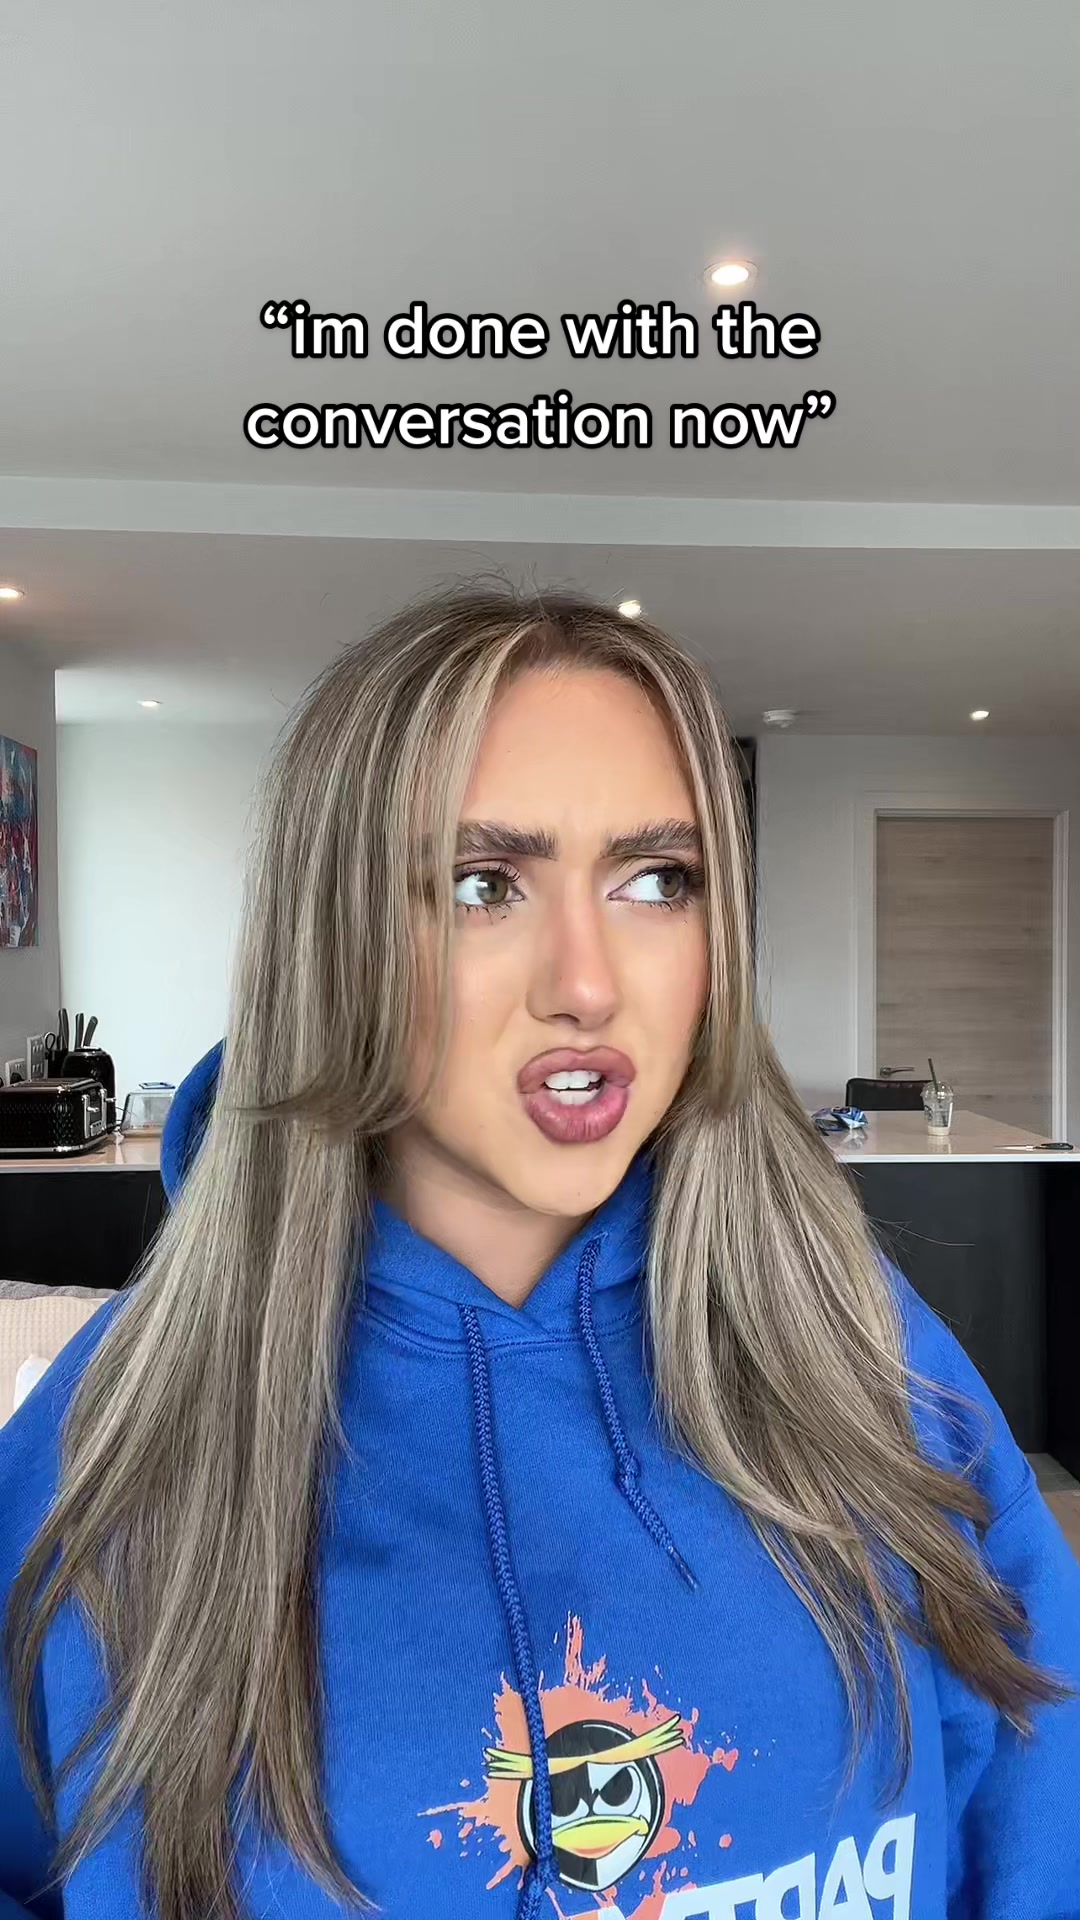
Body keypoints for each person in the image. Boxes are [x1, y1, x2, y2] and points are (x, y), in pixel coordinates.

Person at [2, 587, 1079, 1920]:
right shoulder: (121, 1433)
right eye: (483, 885)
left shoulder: (862, 1351)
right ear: (331, 939)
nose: (588, 983)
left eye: (655, 882)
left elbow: (1037, 1807)